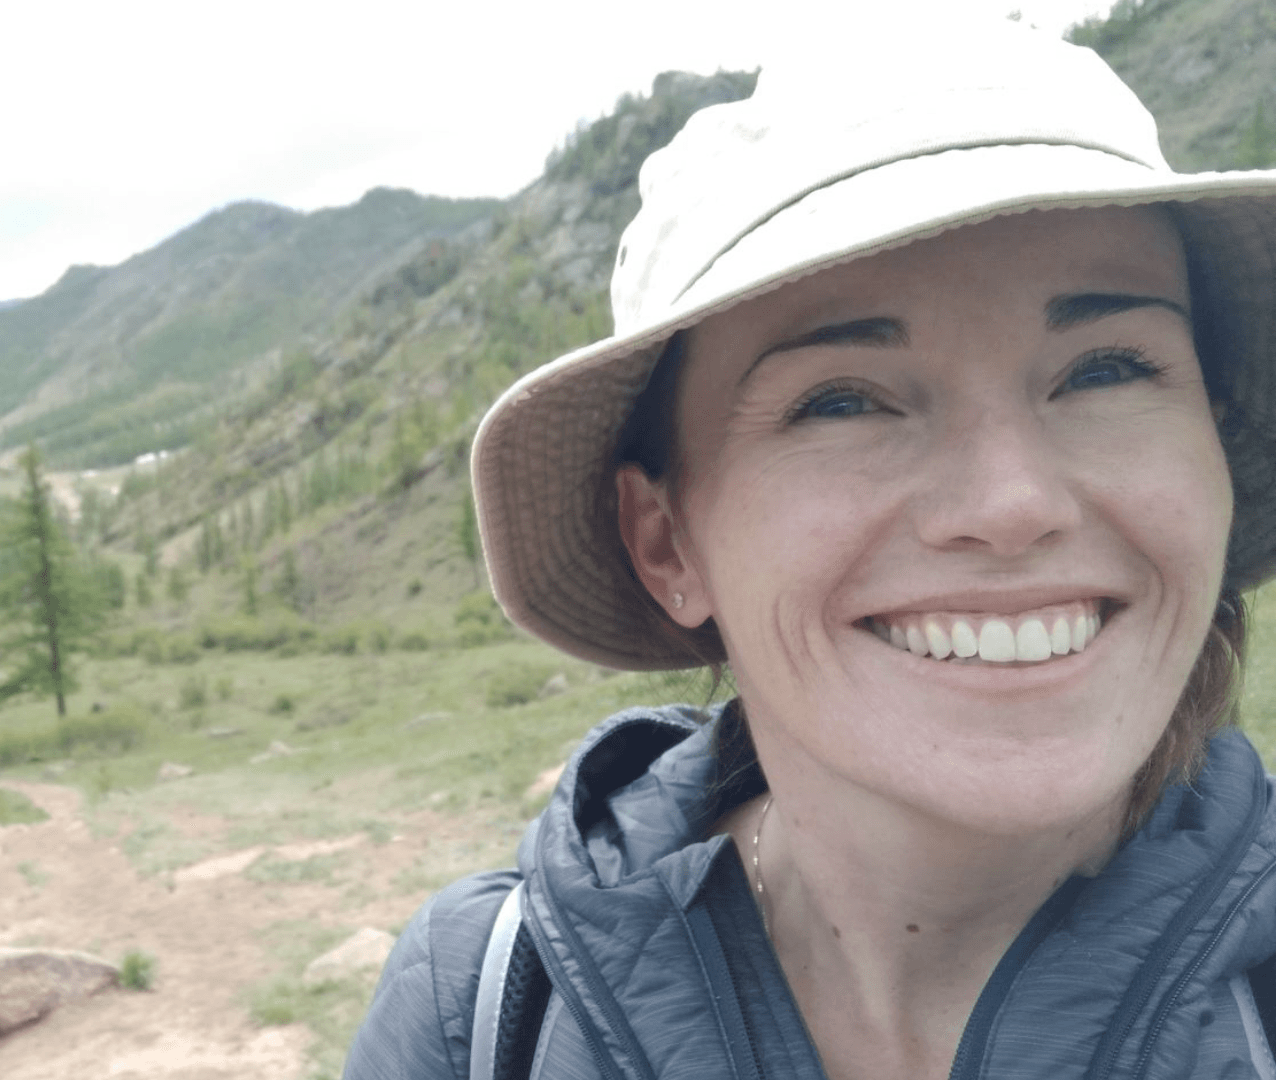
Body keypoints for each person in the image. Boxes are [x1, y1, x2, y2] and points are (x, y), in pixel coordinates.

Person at [345, 20, 1276, 1080]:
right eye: (842, 401)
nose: (1012, 504)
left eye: (1106, 369)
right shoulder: (482, 1012)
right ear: (667, 544)